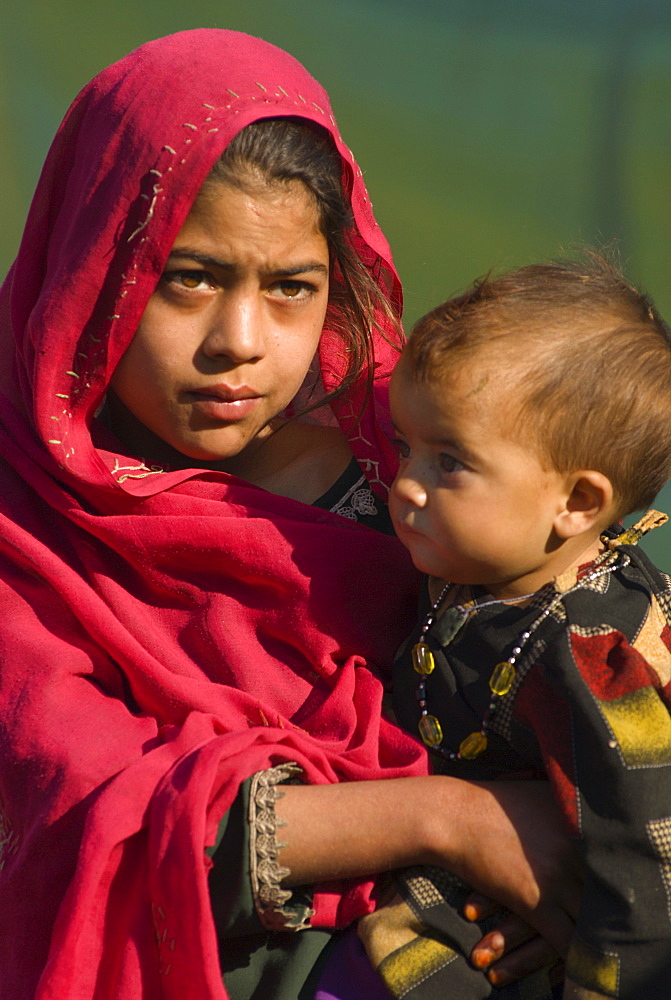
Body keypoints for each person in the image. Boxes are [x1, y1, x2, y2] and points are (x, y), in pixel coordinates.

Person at [0, 29, 579, 1000]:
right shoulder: (27, 511)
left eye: (289, 289)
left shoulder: (413, 449)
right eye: (187, 278)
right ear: (95, 262)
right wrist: (456, 820)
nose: (240, 342)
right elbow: (95, 818)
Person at [355, 255, 671, 1000]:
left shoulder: (593, 658)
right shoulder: (482, 567)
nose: (403, 483)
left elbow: (647, 880)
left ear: (576, 503)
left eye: (450, 462)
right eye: (405, 447)